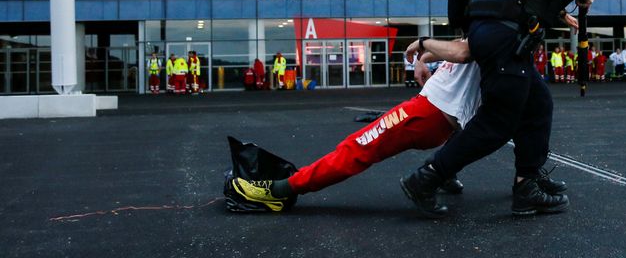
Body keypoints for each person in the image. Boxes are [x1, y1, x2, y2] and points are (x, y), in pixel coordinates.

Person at [401, 0, 596, 218]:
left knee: (538, 104)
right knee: (497, 122)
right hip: (507, 40)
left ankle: (528, 182)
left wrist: (470, 28)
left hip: (491, 34)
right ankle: (427, 178)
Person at [226, 37, 568, 212]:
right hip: (438, 117)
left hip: (427, 115)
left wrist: (421, 46)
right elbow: (455, 51)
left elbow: (463, 50)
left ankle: (282, 190)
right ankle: (447, 173)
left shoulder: (493, 33)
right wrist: (423, 58)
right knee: (480, 126)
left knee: (356, 149)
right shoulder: (494, 30)